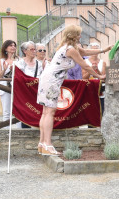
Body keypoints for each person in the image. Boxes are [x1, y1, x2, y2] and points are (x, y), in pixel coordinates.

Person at [37, 25, 111, 155]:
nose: (80, 36)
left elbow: (85, 52)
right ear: (73, 35)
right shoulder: (70, 49)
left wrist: (103, 50)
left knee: (45, 112)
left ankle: (42, 143)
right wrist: (99, 76)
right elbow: (84, 64)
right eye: (78, 34)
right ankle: (47, 144)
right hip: (52, 80)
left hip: (48, 78)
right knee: (50, 112)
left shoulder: (68, 47)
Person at [0, 40, 18, 125]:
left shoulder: (19, 60)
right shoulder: (0, 61)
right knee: (6, 111)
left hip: (17, 87)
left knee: (18, 111)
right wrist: (4, 69)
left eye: (14, 45)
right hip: (5, 87)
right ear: (5, 48)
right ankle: (6, 131)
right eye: (10, 45)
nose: (13, 47)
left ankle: (19, 130)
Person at [83, 41, 107, 113]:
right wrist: (91, 70)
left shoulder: (103, 62)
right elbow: (84, 78)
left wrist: (97, 70)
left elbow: (103, 77)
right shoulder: (85, 62)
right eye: (93, 50)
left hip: (100, 90)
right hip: (89, 90)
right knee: (90, 114)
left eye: (97, 50)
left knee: (101, 111)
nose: (95, 52)